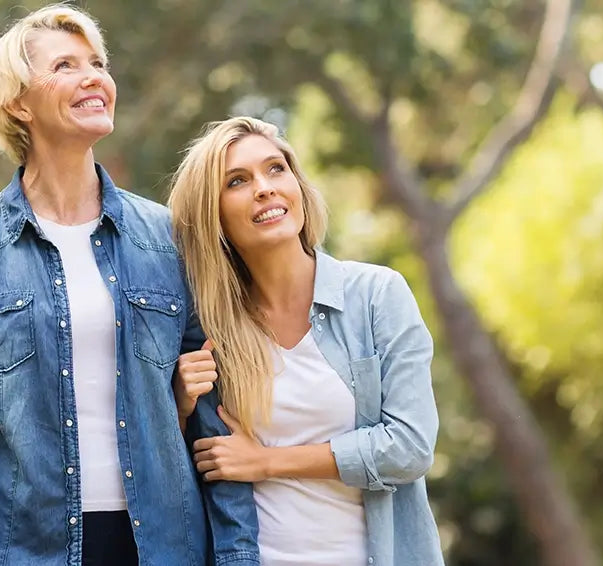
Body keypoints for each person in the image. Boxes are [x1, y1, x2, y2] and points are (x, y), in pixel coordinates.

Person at [0, 5, 231, 564]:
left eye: (98, 63)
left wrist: (236, 554)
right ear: (18, 102)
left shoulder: (168, 237)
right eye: (65, 65)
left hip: (163, 544)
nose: (94, 78)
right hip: (29, 549)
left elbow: (216, 423)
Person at [167, 116, 444, 566]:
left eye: (276, 169)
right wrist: (179, 405)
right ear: (212, 215)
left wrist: (268, 462)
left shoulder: (376, 296)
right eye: (237, 181)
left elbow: (410, 448)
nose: (264, 187)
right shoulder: (210, 330)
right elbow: (185, 475)